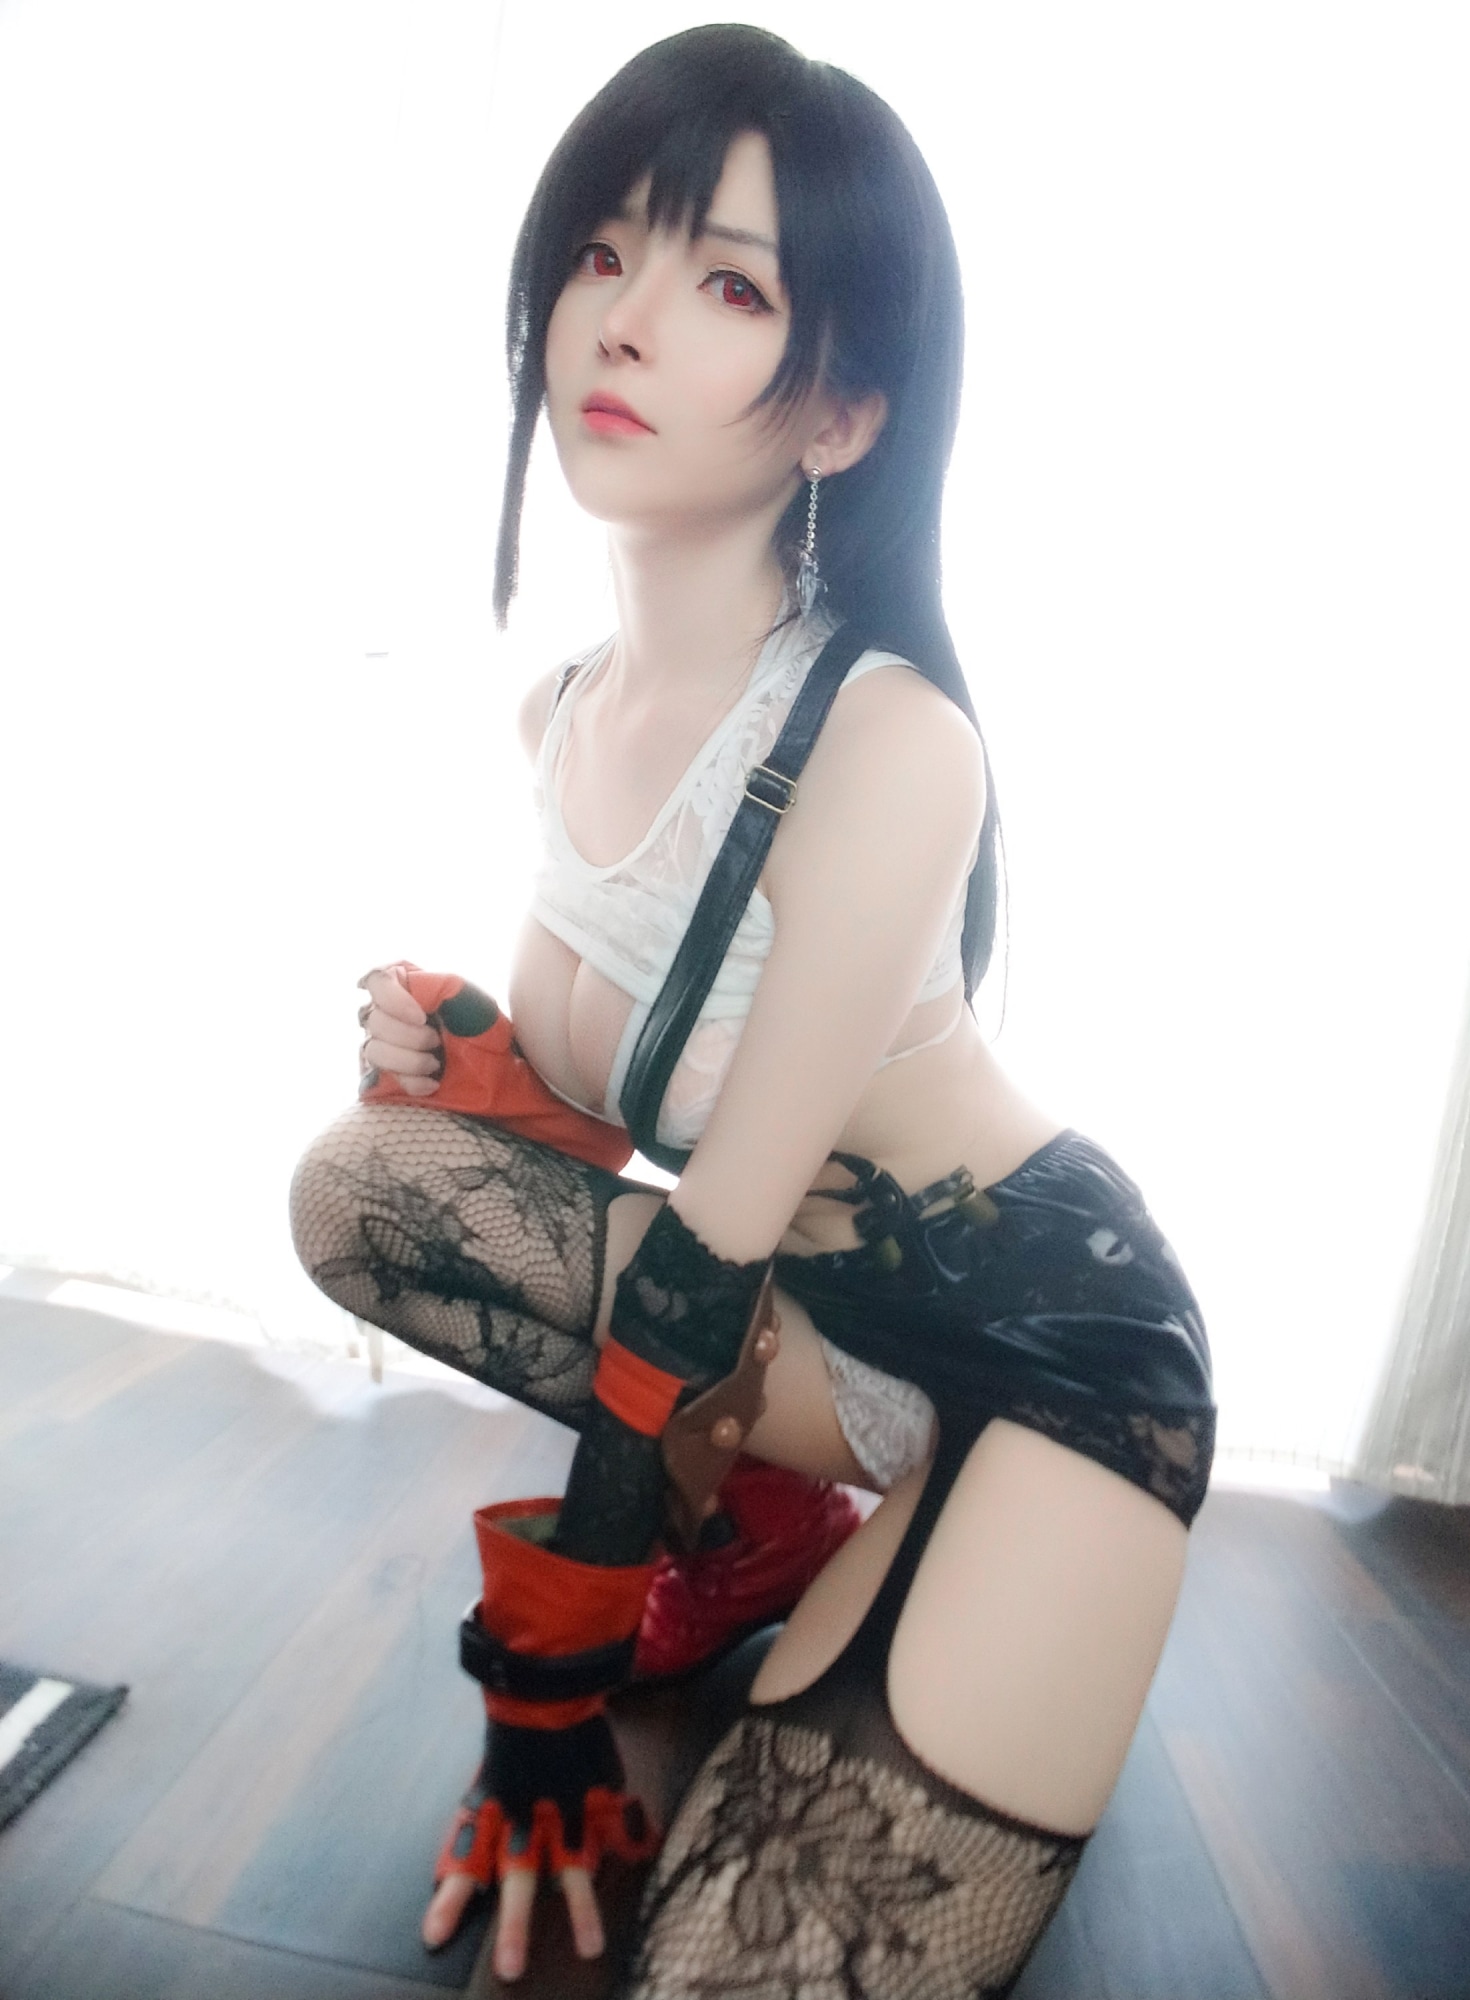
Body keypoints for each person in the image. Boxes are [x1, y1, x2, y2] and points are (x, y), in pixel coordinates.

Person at [289, 24, 1216, 1996]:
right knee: (358, 1184)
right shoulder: (556, 716)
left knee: (738, 1967)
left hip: (1047, 1365)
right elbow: (619, 1085)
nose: (619, 321)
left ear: (844, 413)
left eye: (729, 286)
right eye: (601, 252)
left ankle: (976, 1564)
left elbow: (694, 1276)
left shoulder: (887, 745)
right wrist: (468, 1050)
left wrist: (542, 1699)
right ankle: (773, 1525)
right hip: (816, 1349)